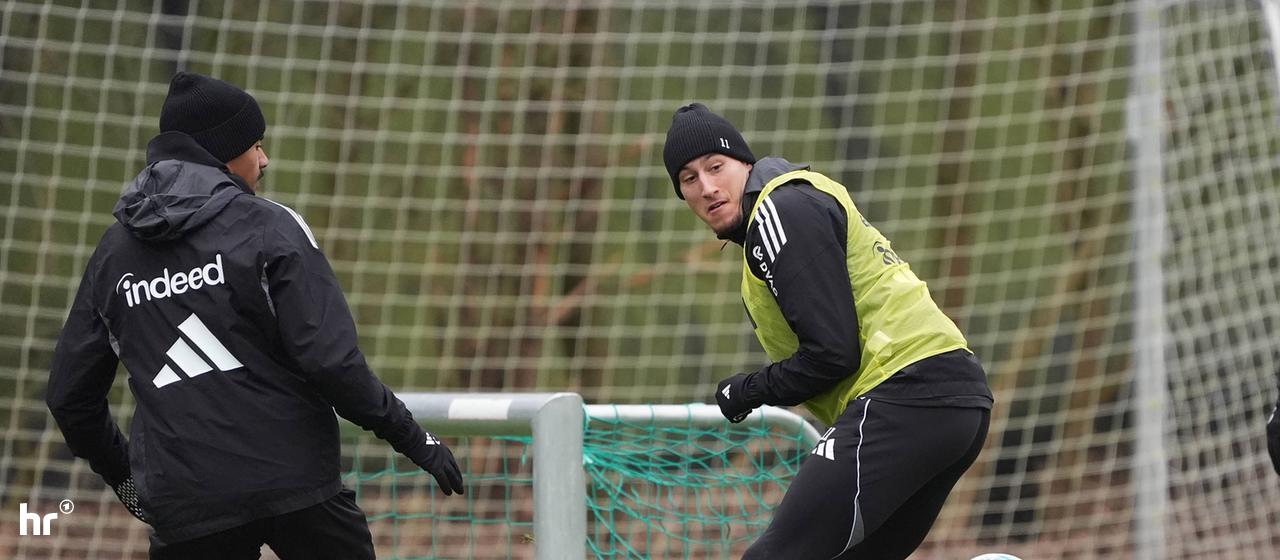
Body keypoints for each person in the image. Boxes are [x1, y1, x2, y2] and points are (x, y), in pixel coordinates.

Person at [46, 72, 464, 559]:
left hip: (186, 505)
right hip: (297, 489)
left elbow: (69, 396)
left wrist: (127, 480)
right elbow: (333, 363)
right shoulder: (270, 226)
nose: (263, 159)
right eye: (256, 144)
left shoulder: (112, 257)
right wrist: (415, 439)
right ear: (223, 151)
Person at [662, 103, 994, 559]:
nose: (707, 187)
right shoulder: (792, 205)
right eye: (689, 179)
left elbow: (833, 354)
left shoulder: (778, 212)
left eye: (715, 167)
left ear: (745, 163)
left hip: (907, 393)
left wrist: (746, 390)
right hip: (955, 401)